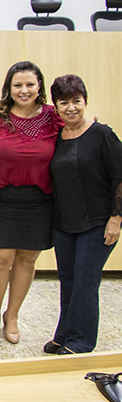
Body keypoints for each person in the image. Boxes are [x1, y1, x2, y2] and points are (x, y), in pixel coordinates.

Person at [0, 61, 63, 346]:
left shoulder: (52, 115)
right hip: (2, 198)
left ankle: (13, 316)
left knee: (27, 259)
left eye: (30, 85)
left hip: (39, 199)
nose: (24, 90)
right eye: (17, 85)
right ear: (9, 88)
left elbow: (76, 132)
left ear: (39, 87)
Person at [45, 75, 122, 355]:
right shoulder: (58, 138)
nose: (71, 108)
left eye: (76, 101)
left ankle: (81, 341)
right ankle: (64, 334)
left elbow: (120, 176)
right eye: (63, 102)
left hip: (98, 222)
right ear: (56, 106)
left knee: (85, 280)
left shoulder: (102, 134)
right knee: (67, 280)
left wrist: (117, 218)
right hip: (65, 223)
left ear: (85, 101)